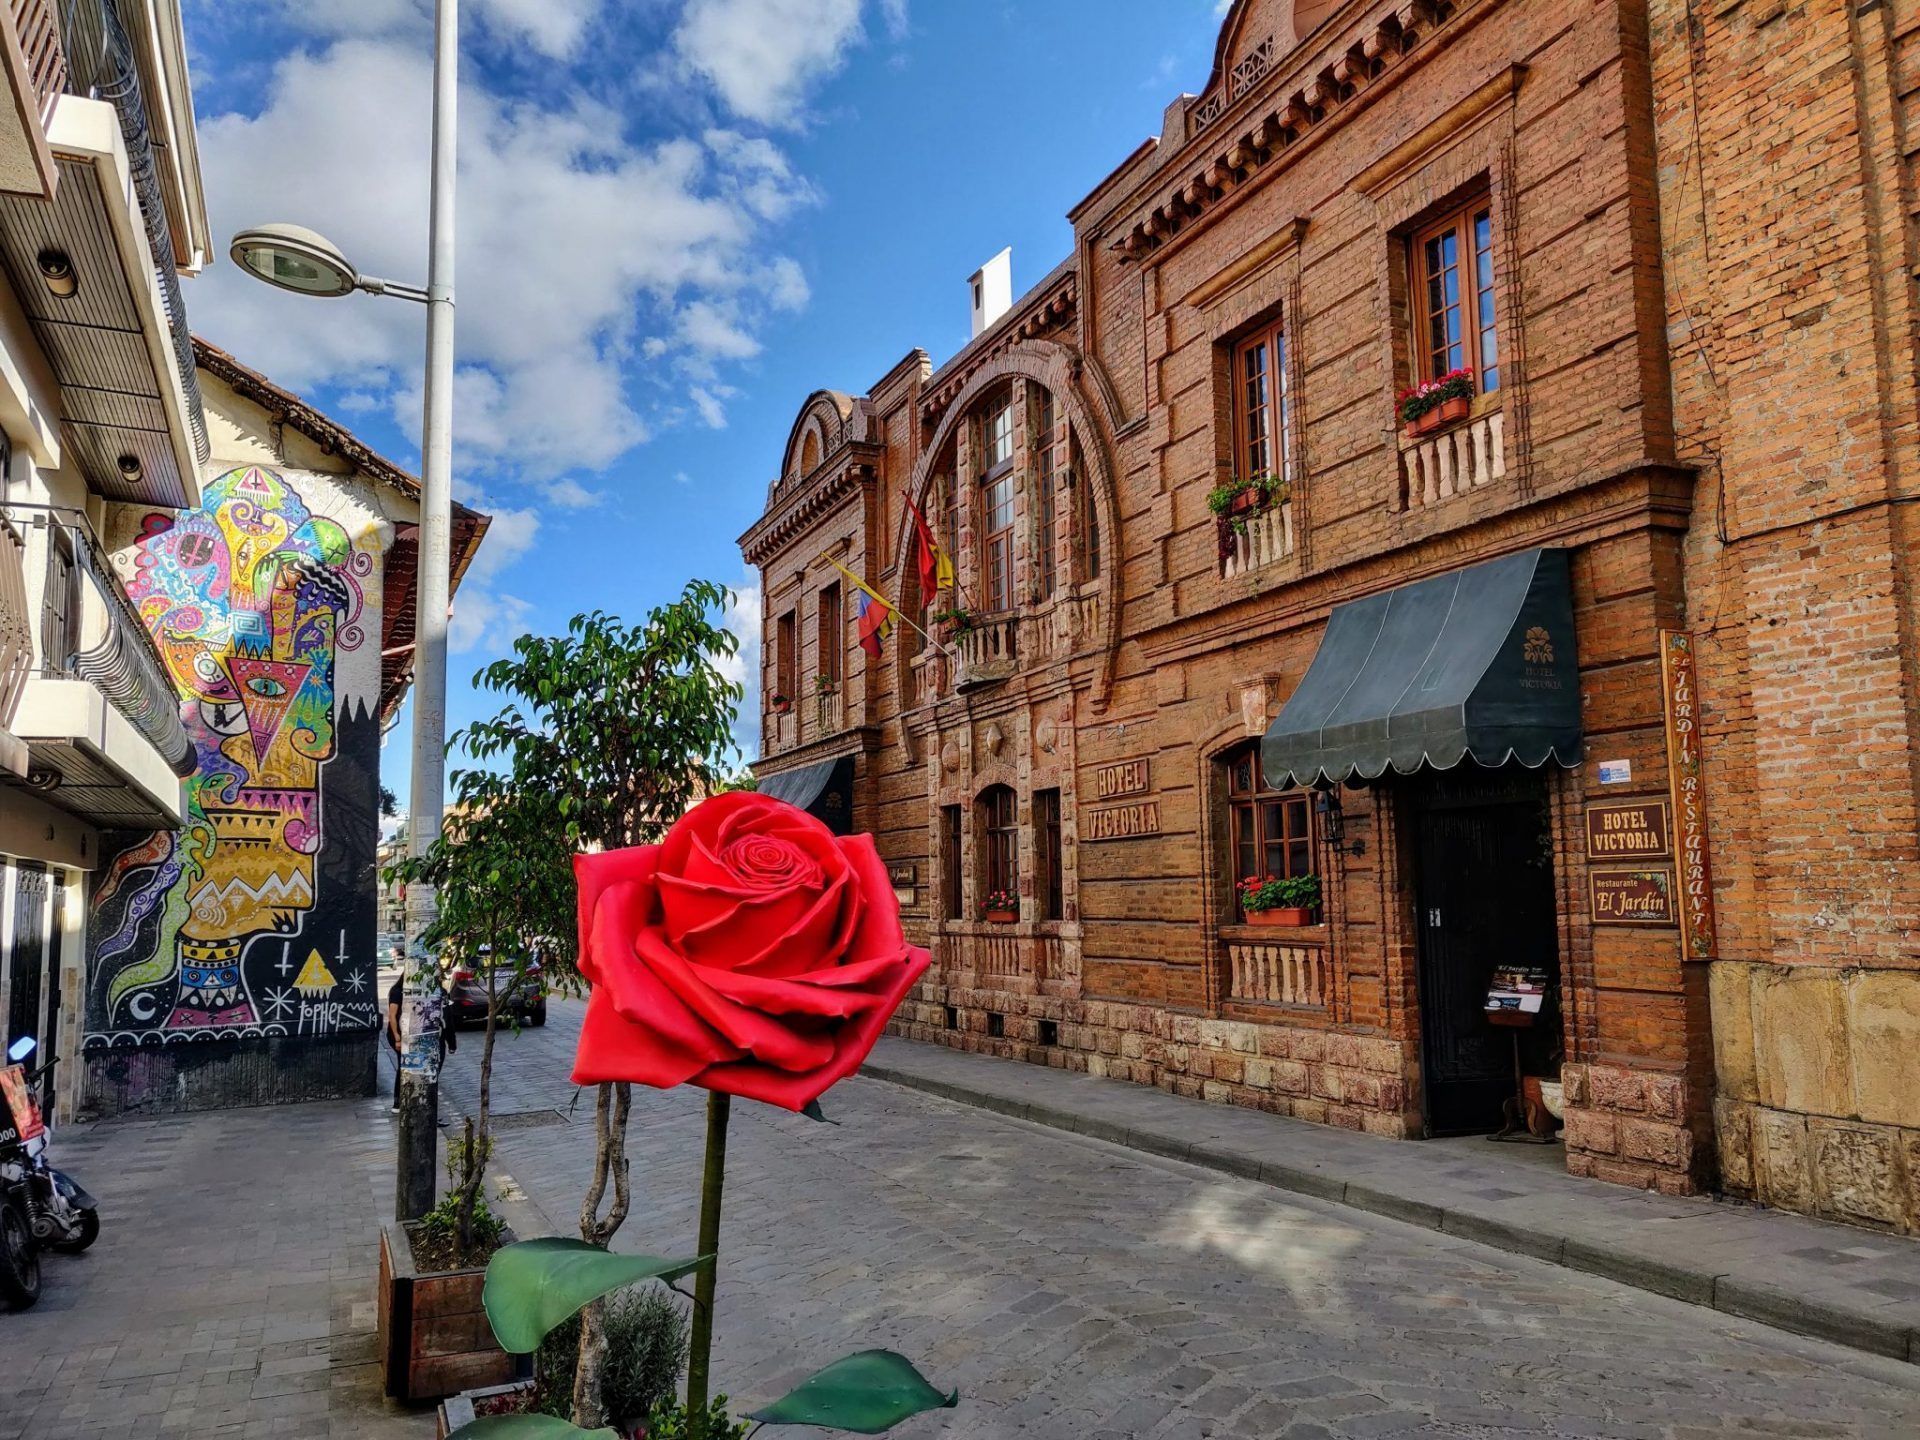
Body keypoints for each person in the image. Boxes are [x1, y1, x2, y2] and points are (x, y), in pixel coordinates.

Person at [386, 951, 453, 1111]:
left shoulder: (437, 992)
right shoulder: (398, 991)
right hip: (399, 1033)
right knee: (404, 1066)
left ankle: (415, 1098)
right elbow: (392, 1016)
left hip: (417, 1033)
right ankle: (399, 1101)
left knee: (416, 1065)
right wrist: (397, 1038)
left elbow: (446, 1018)